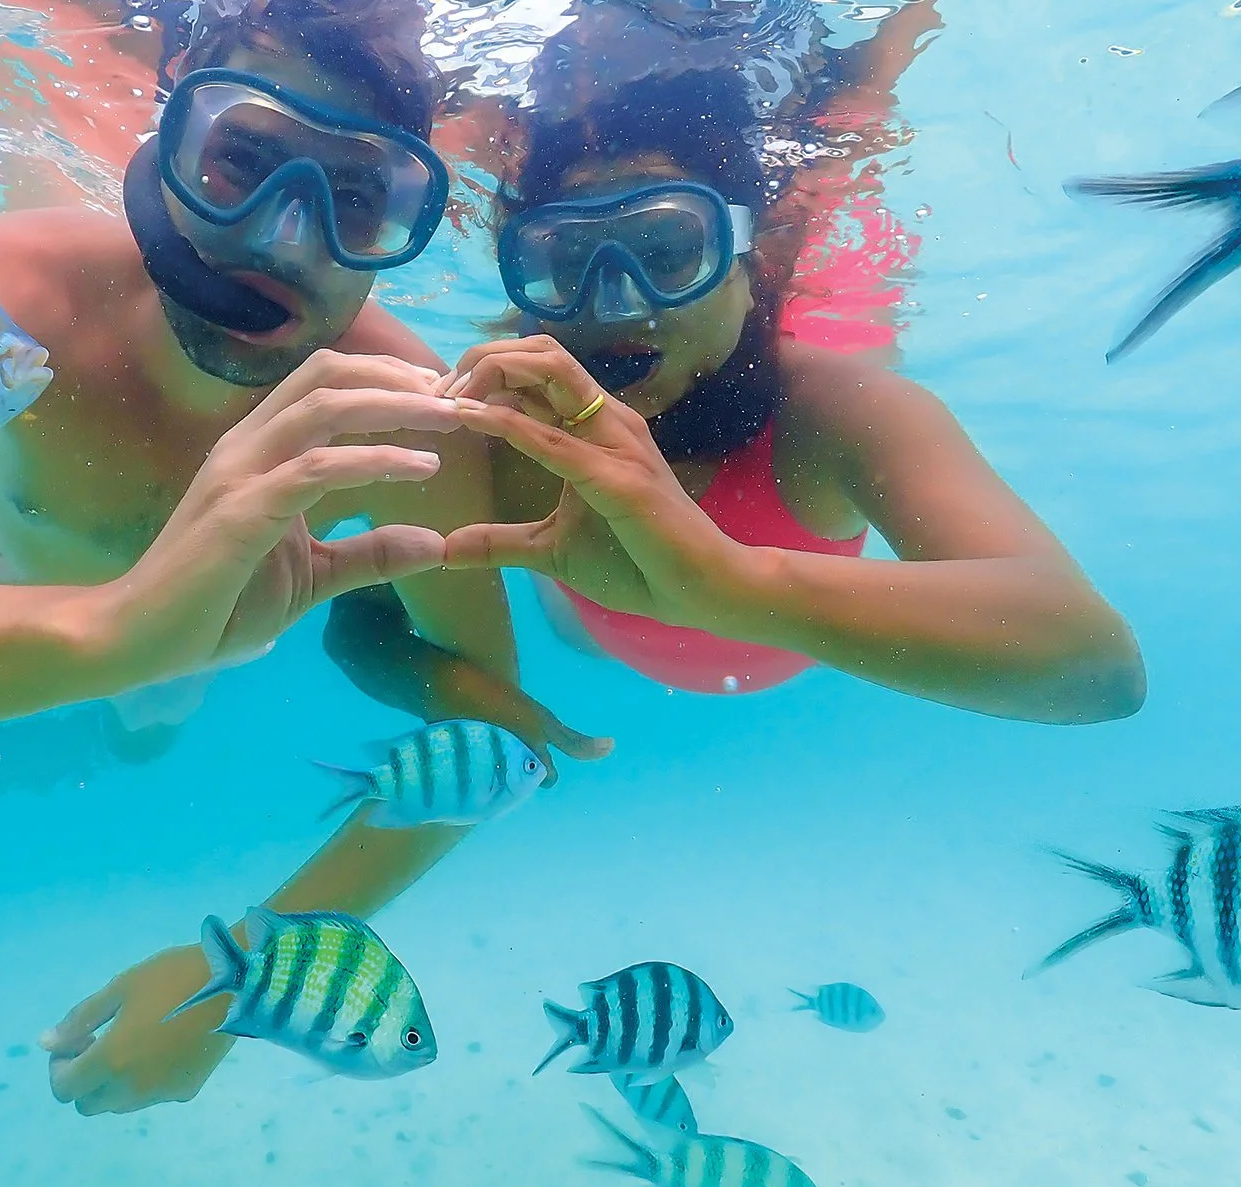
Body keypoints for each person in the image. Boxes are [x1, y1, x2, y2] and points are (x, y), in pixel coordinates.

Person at [0, 0, 606, 1114]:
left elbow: (477, 731)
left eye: (354, 198)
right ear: (165, 137)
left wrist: (232, 971)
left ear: (403, 229)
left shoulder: (402, 416)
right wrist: (119, 630)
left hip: (188, 647)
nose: (285, 240)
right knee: (136, 677)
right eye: (245, 161)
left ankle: (133, 706)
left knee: (144, 729)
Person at [428, 66, 1145, 721]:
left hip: (777, 628)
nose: (614, 302)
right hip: (591, 631)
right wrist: (479, 705)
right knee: (574, 623)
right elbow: (363, 623)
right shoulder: (497, 423)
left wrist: (726, 584)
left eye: (669, 251)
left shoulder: (833, 412)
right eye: (567, 257)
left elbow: (1099, 668)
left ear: (758, 259)